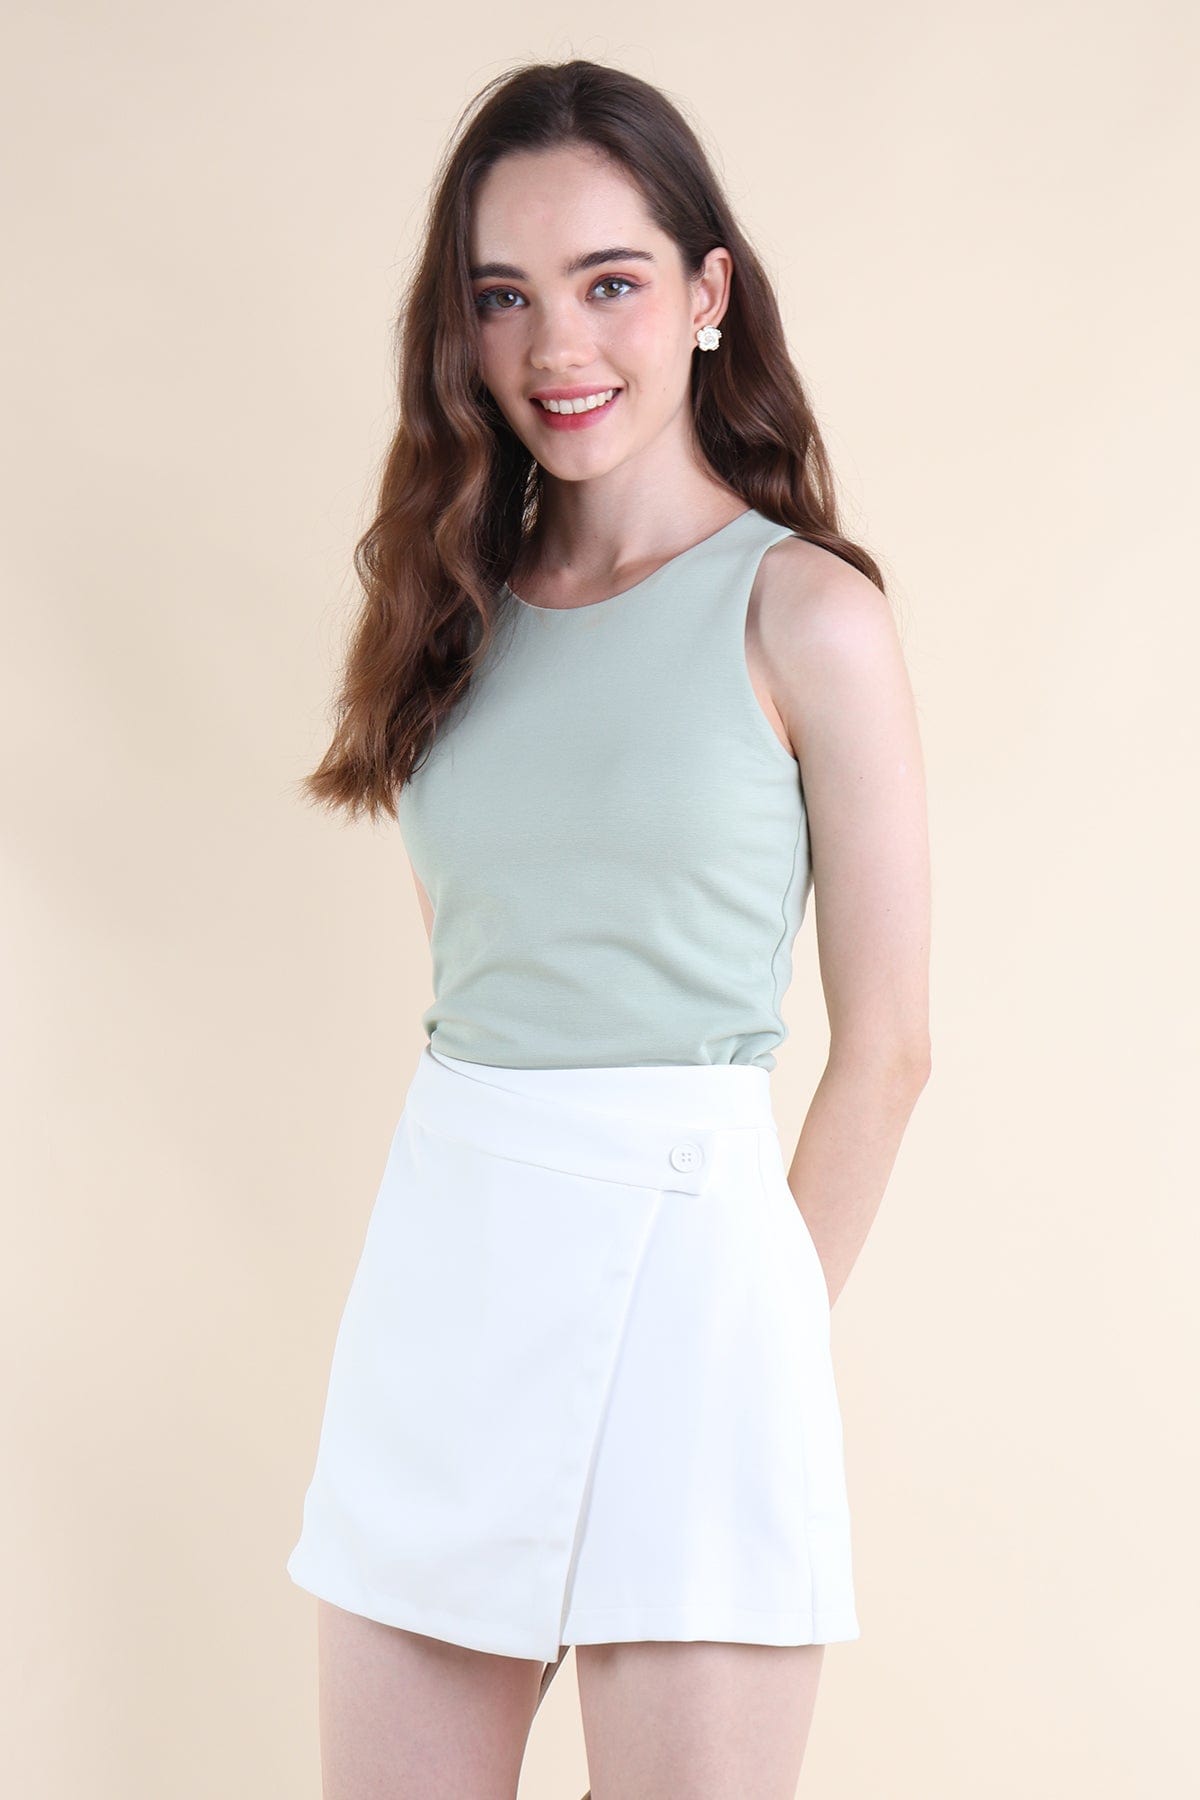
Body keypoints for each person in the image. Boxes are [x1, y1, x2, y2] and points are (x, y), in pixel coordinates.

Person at [285, 56, 931, 1800]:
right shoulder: (450, 614)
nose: (557, 346)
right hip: (449, 1260)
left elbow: (889, 1047)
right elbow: (487, 957)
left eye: (610, 283)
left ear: (709, 292)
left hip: (697, 1278)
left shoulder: (808, 614)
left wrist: (759, 1336)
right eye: (504, 296)